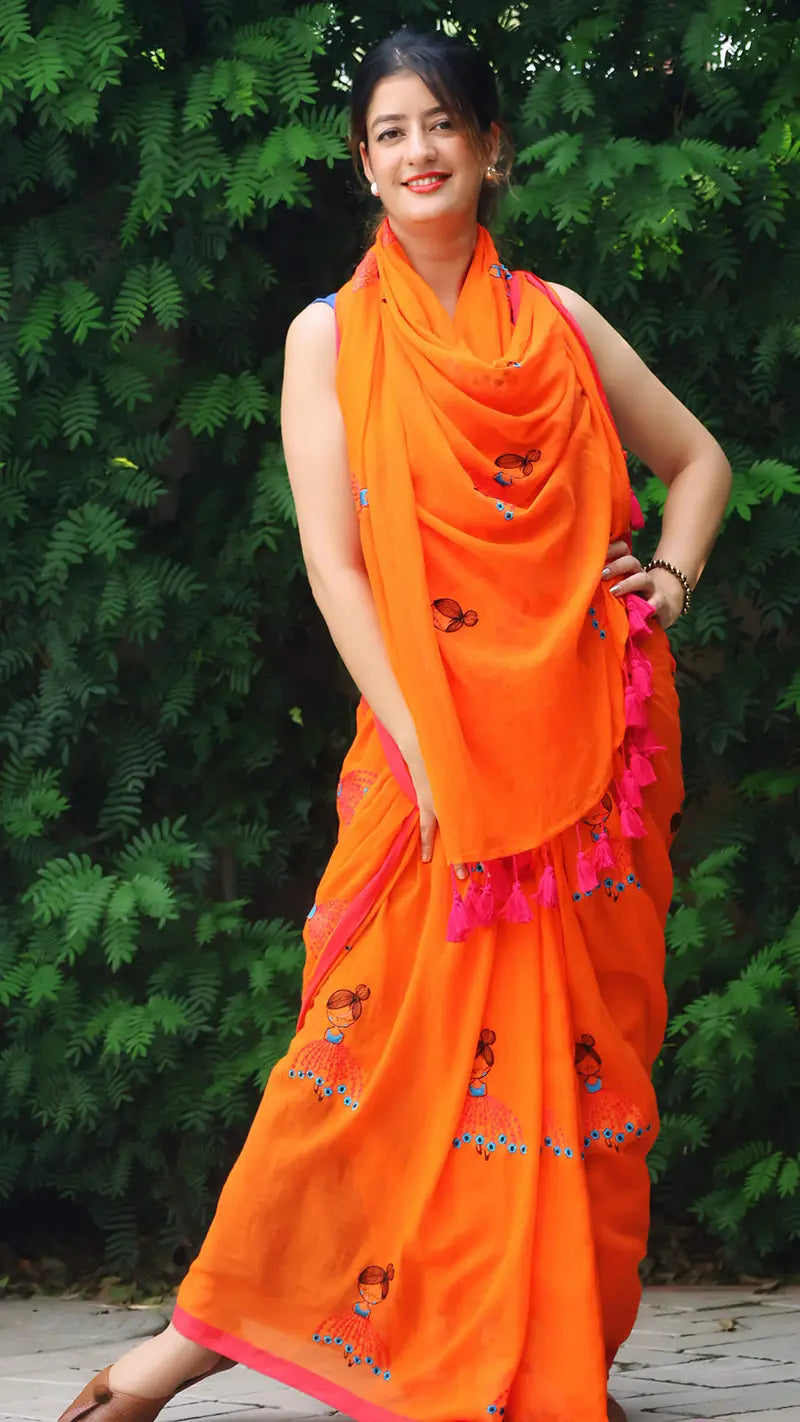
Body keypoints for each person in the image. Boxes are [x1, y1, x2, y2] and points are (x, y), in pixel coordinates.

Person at [58, 27, 732, 1422]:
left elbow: (699, 461)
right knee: (358, 1066)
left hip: (582, 758)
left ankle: (535, 1356)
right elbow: (338, 564)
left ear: (490, 149)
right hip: (429, 760)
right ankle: (181, 1350)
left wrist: (664, 573)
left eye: (444, 126)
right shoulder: (329, 339)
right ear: (364, 162)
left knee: (578, 1064)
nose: (419, 152)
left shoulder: (557, 321)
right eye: (391, 132)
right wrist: (425, 748)